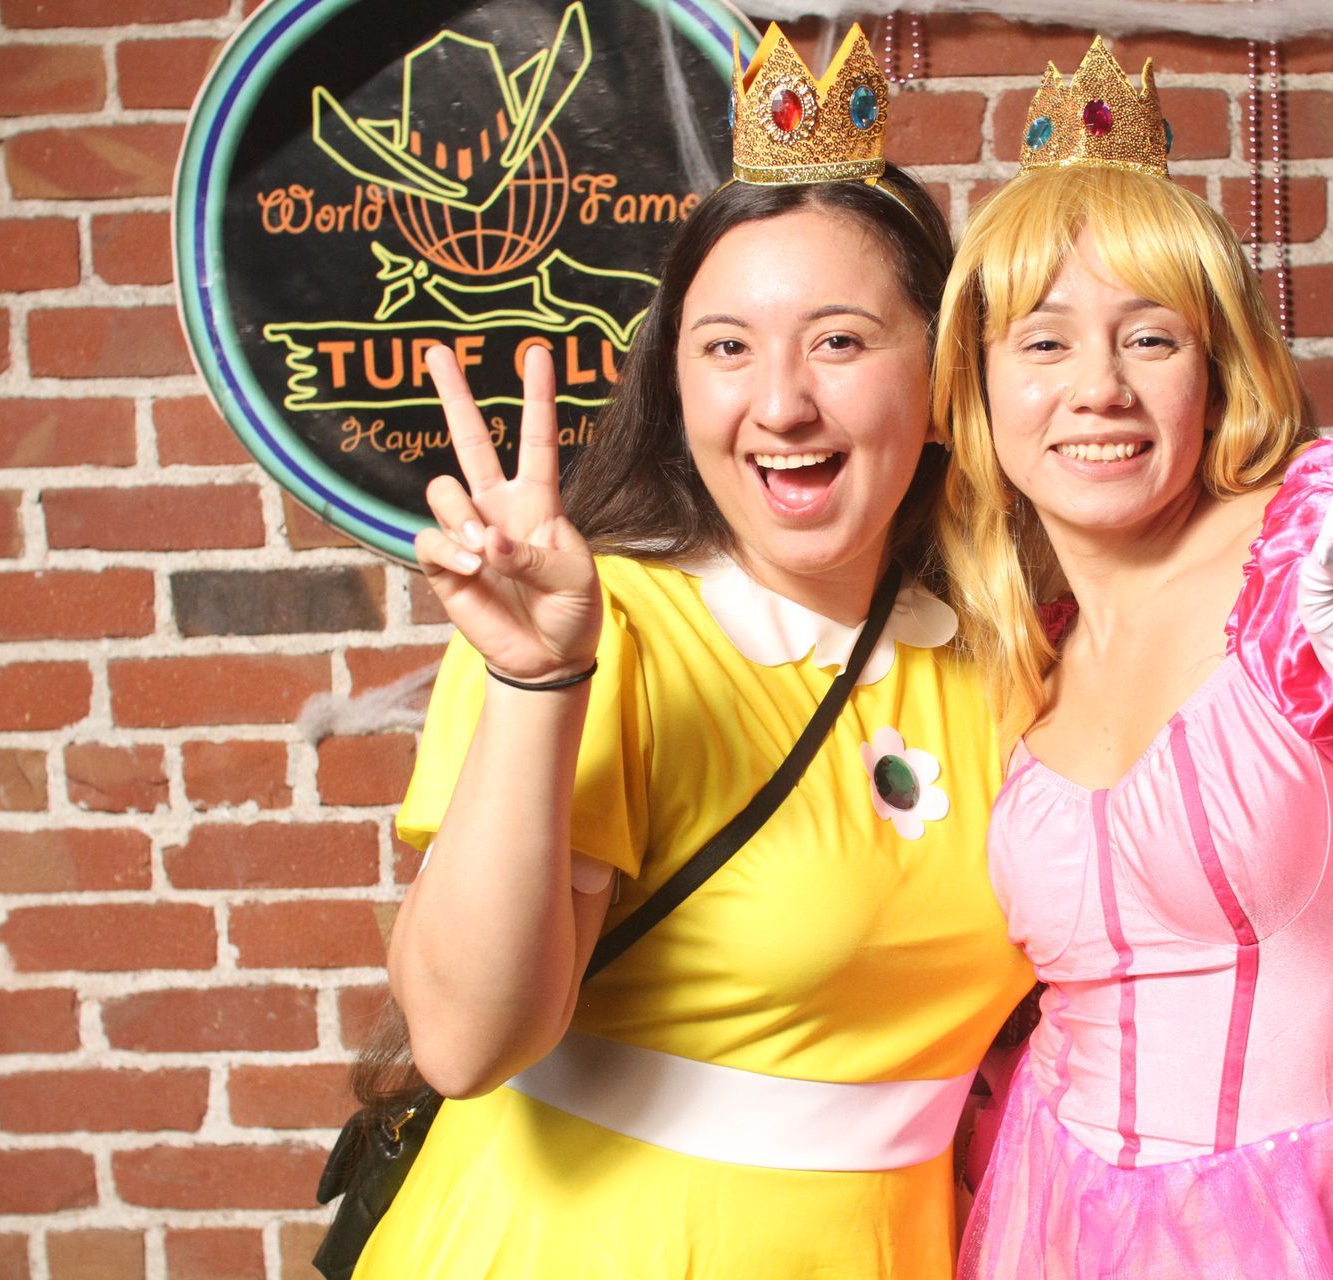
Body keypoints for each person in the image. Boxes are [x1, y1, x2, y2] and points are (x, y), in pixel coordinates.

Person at [349, 25, 1031, 1277]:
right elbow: (462, 1041)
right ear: (678, 384)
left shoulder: (1004, 665)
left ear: (941, 382)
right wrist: (537, 681)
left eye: (839, 340)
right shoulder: (599, 627)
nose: (780, 402)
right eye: (727, 346)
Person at [936, 40, 1333, 1279]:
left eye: (1151, 337)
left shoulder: (1325, 556)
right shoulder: (1033, 648)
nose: (1098, 389)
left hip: (1328, 1239)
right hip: (1055, 1226)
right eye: (1042, 342)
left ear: (1217, 364)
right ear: (975, 389)